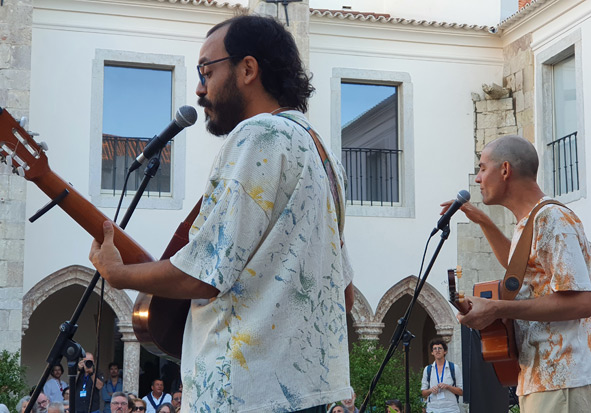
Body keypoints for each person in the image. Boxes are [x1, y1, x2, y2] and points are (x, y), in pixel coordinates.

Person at [89, 13, 354, 413]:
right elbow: (344, 294)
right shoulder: (323, 154)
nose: (199, 88)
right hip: (306, 393)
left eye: (206, 71)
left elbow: (206, 274)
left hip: (242, 394)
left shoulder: (258, 133)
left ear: (248, 68)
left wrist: (118, 274)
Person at [445, 135, 591, 412]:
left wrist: (496, 308)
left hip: (563, 374)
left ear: (505, 170)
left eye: (483, 168)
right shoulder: (531, 221)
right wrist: (484, 222)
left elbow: (581, 303)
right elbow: (520, 269)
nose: (477, 179)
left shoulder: (553, 219)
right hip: (544, 377)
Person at [420, 338, 462, 413]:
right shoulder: (428, 369)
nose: (437, 350)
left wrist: (448, 387)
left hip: (451, 409)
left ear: (445, 351)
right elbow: (423, 392)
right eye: (434, 349)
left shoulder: (454, 368)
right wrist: (430, 390)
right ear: (432, 353)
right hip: (433, 408)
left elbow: (461, 392)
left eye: (440, 348)